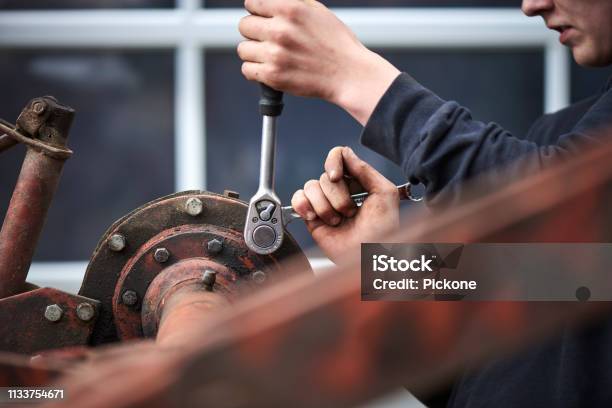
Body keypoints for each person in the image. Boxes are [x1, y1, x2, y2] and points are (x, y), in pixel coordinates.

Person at [238, 1, 612, 406]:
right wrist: (384, 265)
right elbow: (483, 375)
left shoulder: (564, 165)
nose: (531, 5)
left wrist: (355, 74)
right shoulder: (554, 134)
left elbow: (557, 210)